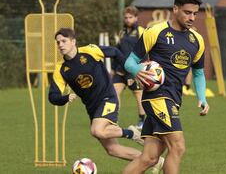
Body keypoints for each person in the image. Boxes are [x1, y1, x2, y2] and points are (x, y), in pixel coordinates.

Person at [48, 28, 163, 173]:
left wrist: (129, 72)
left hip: (108, 97)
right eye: (58, 42)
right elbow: (52, 96)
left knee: (97, 130)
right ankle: (155, 161)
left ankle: (133, 133)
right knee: (113, 150)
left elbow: (114, 52)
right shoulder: (60, 69)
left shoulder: (90, 50)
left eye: (64, 41)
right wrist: (64, 98)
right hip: (92, 108)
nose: (60, 45)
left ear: (73, 42)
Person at [122, 0, 210, 174]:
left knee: (149, 158)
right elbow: (130, 62)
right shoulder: (156, 32)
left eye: (195, 13)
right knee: (178, 147)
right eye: (187, 12)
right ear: (175, 9)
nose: (192, 17)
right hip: (157, 97)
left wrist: (202, 97)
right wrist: (139, 71)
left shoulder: (197, 40)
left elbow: (199, 72)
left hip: (174, 99)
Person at [113, 6, 146, 129]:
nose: (127, 20)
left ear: (136, 18)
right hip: (121, 70)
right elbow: (116, 51)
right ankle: (113, 119)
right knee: (113, 93)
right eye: (125, 17)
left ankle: (142, 120)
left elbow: (144, 52)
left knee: (138, 95)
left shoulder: (141, 31)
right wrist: (113, 68)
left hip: (135, 70)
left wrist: (135, 72)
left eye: (130, 17)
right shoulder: (121, 32)